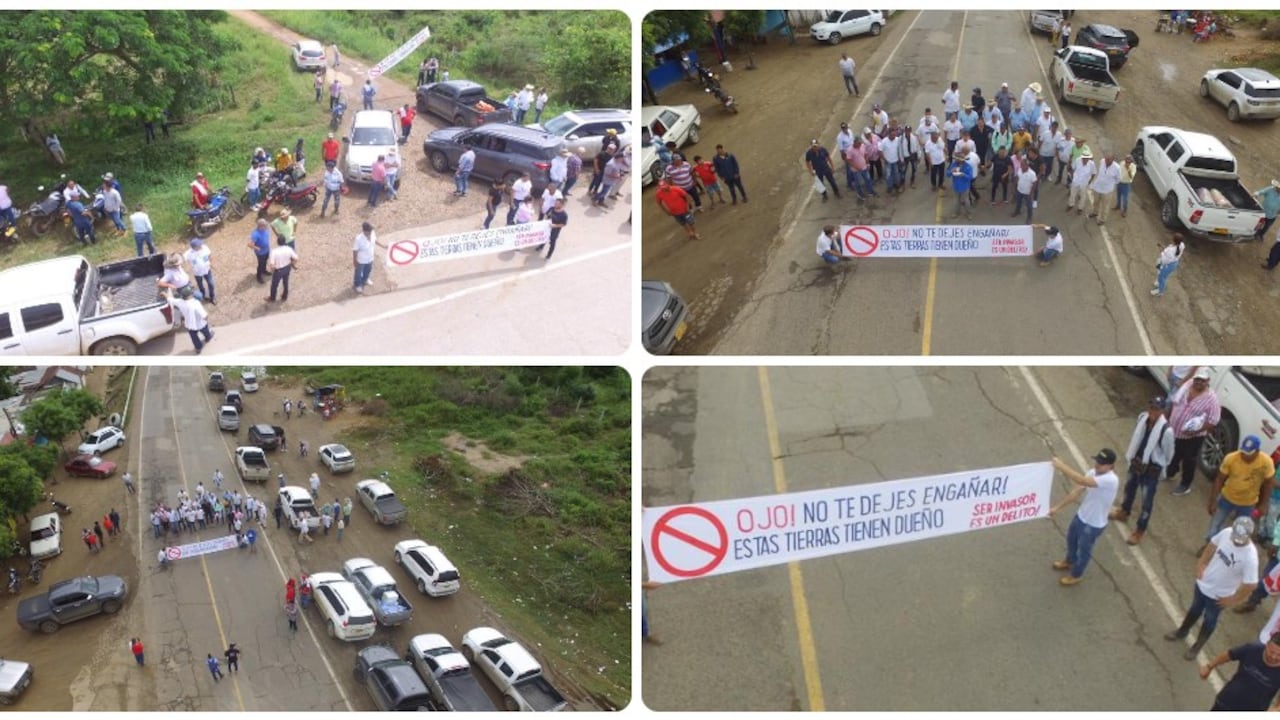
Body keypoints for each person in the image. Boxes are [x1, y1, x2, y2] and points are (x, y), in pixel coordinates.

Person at [1166, 517, 1260, 659]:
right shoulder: (1227, 532)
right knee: (1194, 610)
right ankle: (1182, 631)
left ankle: (1197, 647)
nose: (1236, 541)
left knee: (1209, 620)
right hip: (1204, 583)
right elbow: (1212, 545)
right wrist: (1201, 563)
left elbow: (1251, 584)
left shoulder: (1250, 557)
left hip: (1219, 595)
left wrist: (1233, 600)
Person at [1109, 396, 1175, 545]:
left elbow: (1169, 453)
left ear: (1162, 411)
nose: (1152, 411)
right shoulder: (1142, 419)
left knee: (1146, 502)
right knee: (1129, 489)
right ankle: (1124, 512)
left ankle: (1140, 530)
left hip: (1151, 470)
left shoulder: (1166, 431)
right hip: (1136, 462)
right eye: (1151, 407)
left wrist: (1158, 464)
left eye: (1156, 409)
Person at [1048, 450, 1120, 586]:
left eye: (1102, 463)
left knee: (1084, 550)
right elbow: (1077, 491)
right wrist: (1057, 508)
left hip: (1094, 524)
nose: (1098, 465)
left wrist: (1061, 466)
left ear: (1111, 466)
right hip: (1082, 515)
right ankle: (1069, 561)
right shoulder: (1093, 472)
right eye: (1097, 461)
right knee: (1071, 539)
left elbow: (1082, 480)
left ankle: (1076, 575)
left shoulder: (1110, 480)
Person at [1203, 435, 1275, 545]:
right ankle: (1209, 545)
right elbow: (1219, 479)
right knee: (1215, 523)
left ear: (1257, 451)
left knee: (1241, 530)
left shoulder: (1266, 462)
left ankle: (1230, 550)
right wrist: (1213, 500)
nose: (1245, 455)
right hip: (1227, 497)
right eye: (1243, 452)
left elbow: (1269, 483)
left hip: (1248, 503)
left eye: (1249, 454)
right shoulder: (1231, 458)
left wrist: (1263, 504)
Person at [1170, 368, 1223, 496]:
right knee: (1174, 453)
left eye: (1202, 380)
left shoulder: (1212, 399)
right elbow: (1175, 402)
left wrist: (1195, 431)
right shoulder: (1188, 385)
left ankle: (1185, 484)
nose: (1198, 382)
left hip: (1193, 437)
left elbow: (1213, 421)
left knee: (1189, 460)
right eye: (1197, 379)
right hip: (1175, 431)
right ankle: (1170, 472)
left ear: (1208, 381)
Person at [1201, 632, 1280, 711]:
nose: (1274, 657)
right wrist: (1209, 667)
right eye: (1272, 652)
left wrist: (1276, 709)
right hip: (1226, 701)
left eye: (1279, 655)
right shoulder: (1252, 649)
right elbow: (1228, 655)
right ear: (1267, 645)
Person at [265, 236, 299, 303]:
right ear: (285, 242)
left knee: (274, 285)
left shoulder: (274, 251)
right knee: (285, 282)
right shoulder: (289, 249)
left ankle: (272, 298)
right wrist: (292, 263)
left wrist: (272, 270)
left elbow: (272, 265)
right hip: (287, 268)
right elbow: (296, 258)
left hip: (278, 270)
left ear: (277, 242)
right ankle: (284, 296)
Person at [184, 238, 216, 305]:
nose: (201, 245)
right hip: (197, 273)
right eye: (199, 245)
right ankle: (202, 296)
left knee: (211, 284)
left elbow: (210, 255)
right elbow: (183, 259)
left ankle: (212, 297)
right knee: (200, 285)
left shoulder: (205, 248)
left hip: (207, 270)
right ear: (194, 247)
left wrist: (211, 263)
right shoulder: (189, 253)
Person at [1257, 180, 1280, 263]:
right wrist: (1256, 194)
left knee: (1266, 226)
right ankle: (1255, 233)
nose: (1278, 189)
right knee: (1259, 224)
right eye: (1278, 188)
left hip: (1272, 216)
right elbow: (1261, 191)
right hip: (1263, 212)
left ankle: (1261, 234)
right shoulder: (1271, 189)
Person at [948, 153, 973, 219]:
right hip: (956, 186)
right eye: (956, 159)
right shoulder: (953, 164)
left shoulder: (968, 166)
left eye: (957, 159)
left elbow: (970, 177)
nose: (956, 160)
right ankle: (956, 213)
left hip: (965, 187)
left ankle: (969, 213)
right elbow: (947, 174)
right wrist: (951, 171)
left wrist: (963, 175)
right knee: (957, 200)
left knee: (966, 201)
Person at [353, 222, 375, 294]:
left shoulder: (372, 234)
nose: (370, 232)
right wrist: (355, 261)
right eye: (369, 231)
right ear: (365, 231)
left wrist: (383, 246)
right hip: (361, 260)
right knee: (358, 273)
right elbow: (355, 250)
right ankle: (358, 285)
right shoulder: (358, 239)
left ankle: (365, 280)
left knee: (368, 270)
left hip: (370, 258)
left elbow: (375, 241)